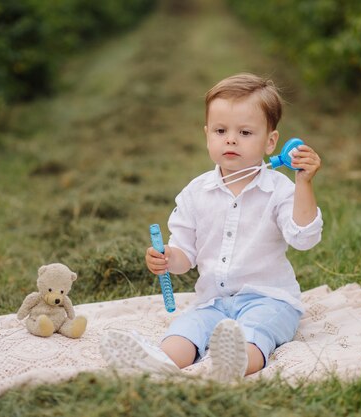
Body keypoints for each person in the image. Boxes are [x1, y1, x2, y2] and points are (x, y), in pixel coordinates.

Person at [99, 73, 323, 381]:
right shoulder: (196, 192)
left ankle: (233, 364)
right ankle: (157, 361)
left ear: (271, 141)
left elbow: (304, 238)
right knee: (186, 331)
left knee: (255, 333)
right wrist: (167, 258)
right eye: (220, 130)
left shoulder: (280, 189)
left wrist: (304, 184)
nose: (230, 139)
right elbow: (184, 255)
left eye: (245, 132)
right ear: (207, 135)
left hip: (269, 299)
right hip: (212, 303)